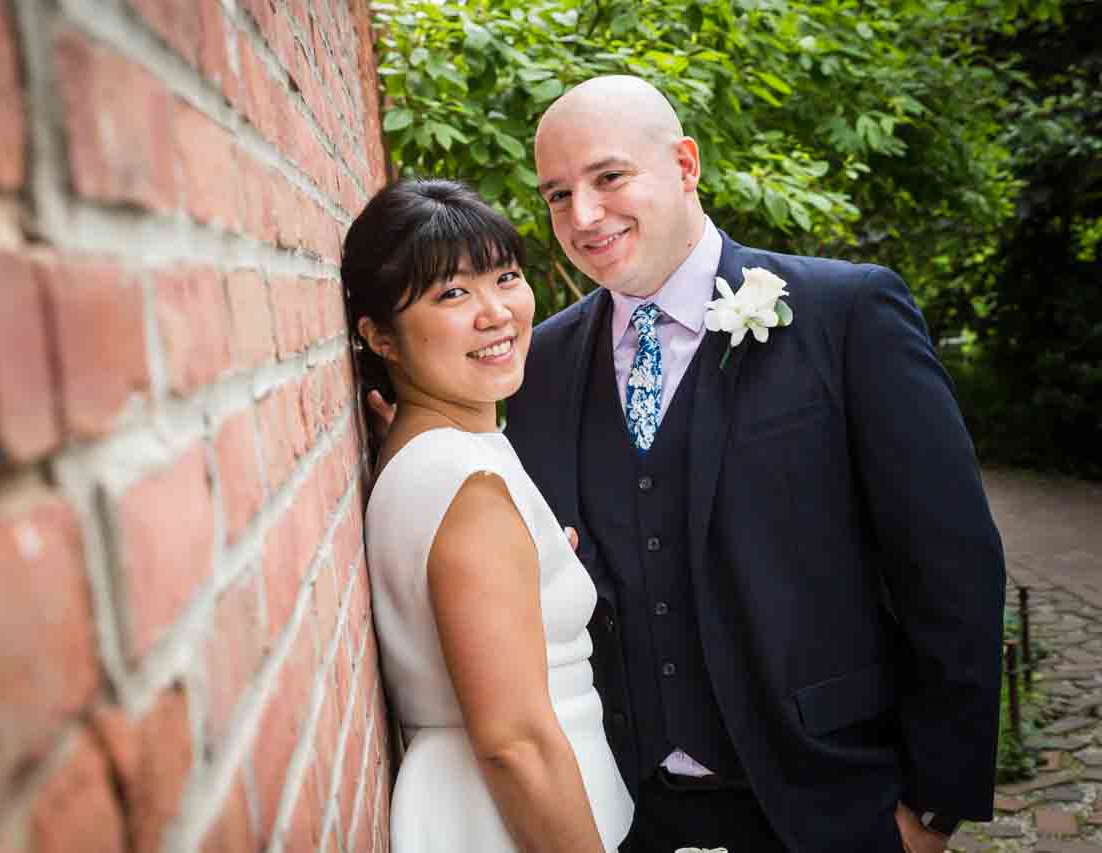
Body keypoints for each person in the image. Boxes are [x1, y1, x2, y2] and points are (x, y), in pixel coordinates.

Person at [371, 76, 1005, 852]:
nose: (584, 216)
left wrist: (934, 805)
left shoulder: (847, 315)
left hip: (832, 803)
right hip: (630, 811)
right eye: (558, 195)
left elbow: (952, 566)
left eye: (608, 179)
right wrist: (410, 413)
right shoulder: (536, 364)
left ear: (685, 164)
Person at [343, 178, 634, 852]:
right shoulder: (462, 481)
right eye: (452, 293)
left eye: (505, 276)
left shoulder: (439, 452)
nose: (496, 311)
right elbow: (515, 744)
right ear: (380, 336)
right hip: (506, 823)